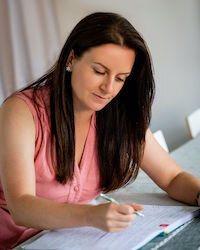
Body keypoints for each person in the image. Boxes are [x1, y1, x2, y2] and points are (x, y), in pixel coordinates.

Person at [0, 12, 200, 249]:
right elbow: (21, 207)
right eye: (99, 71)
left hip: (70, 240)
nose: (108, 88)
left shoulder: (118, 115)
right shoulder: (21, 111)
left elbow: (173, 178)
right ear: (71, 59)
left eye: (120, 78)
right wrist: (89, 216)